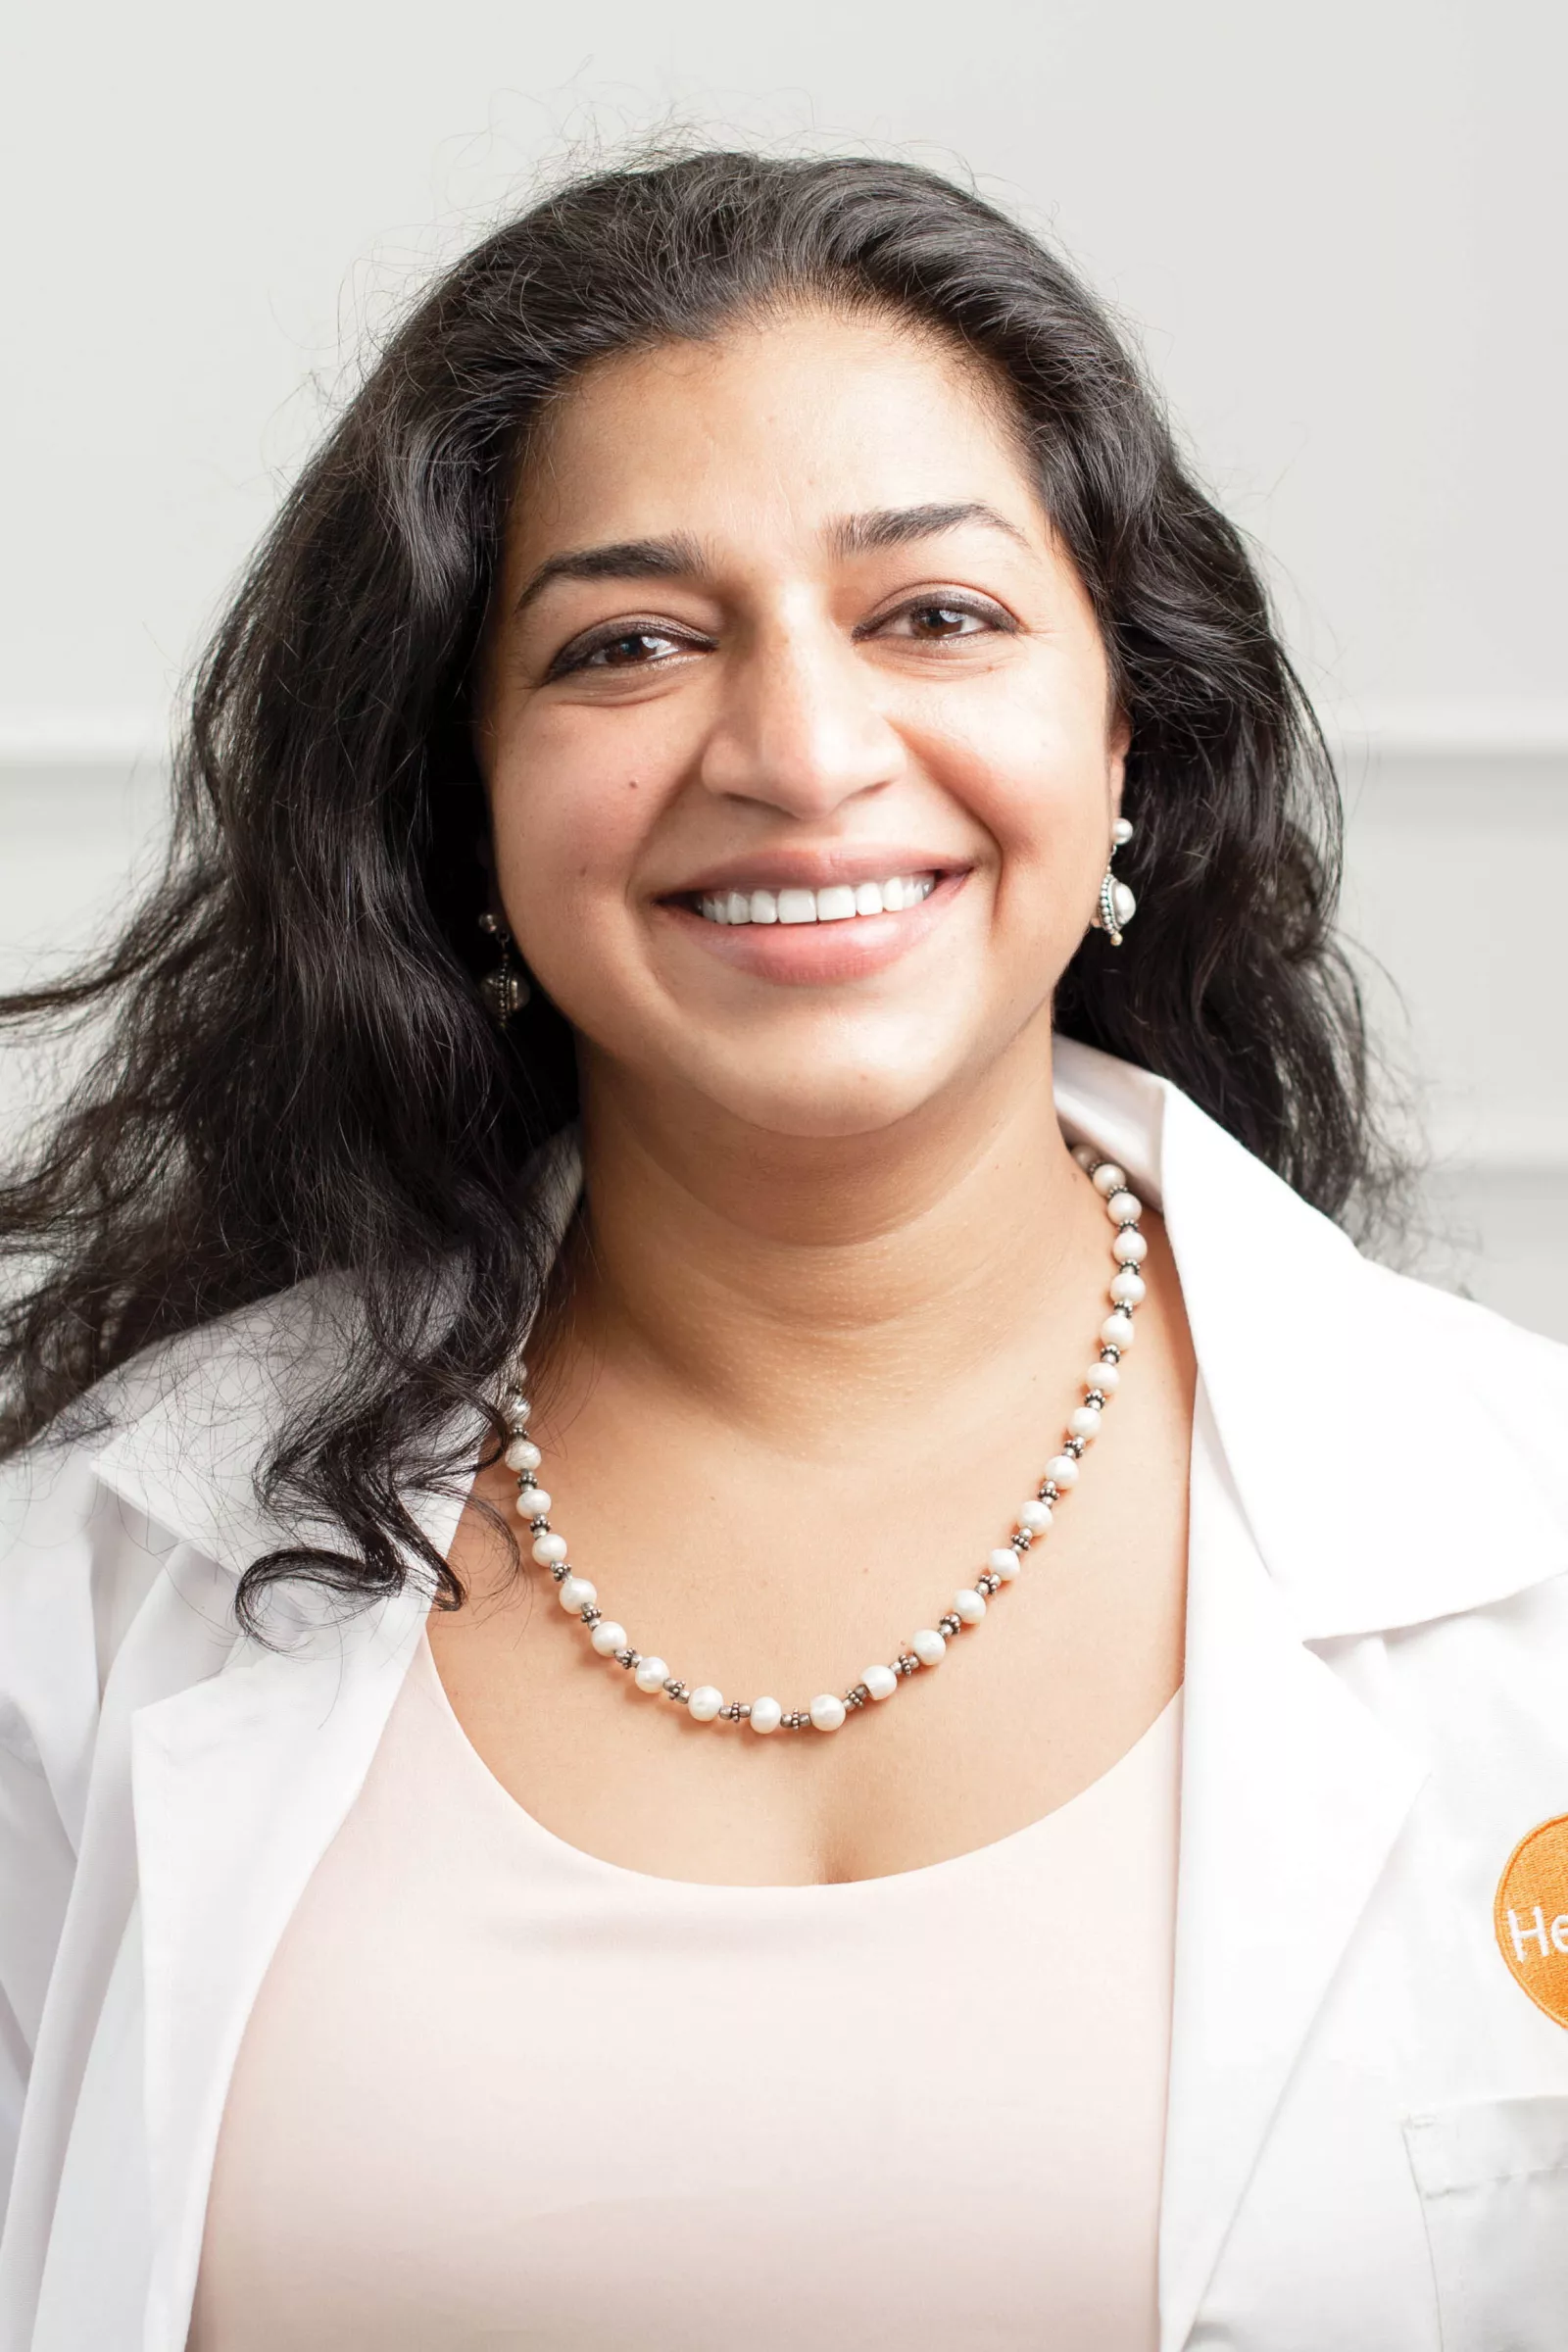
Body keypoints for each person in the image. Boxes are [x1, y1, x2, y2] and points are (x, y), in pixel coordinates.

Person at [2, 148, 1566, 2352]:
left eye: (934, 615)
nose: (805, 752)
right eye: (627, 643)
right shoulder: (93, 1579)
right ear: (459, 809)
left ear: (1123, 735)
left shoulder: (1525, 1553)